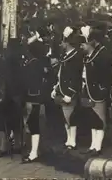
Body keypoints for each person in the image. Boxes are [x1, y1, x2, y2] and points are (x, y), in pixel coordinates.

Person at [79, 23, 112, 156]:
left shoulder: (103, 55)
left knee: (100, 119)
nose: (83, 46)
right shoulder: (92, 54)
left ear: (93, 42)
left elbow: (107, 75)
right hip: (90, 89)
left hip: (99, 91)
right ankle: (93, 145)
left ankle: (98, 146)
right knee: (93, 118)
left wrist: (103, 88)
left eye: (86, 43)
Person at [51, 26, 83, 151]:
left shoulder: (75, 56)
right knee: (65, 116)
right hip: (63, 89)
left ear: (67, 43)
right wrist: (56, 88)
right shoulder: (65, 55)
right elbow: (61, 74)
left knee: (71, 117)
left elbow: (76, 76)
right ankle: (68, 138)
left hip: (70, 91)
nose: (61, 45)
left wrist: (71, 92)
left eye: (62, 42)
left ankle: (73, 140)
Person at [21, 31, 49, 163]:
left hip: (33, 97)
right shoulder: (38, 62)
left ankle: (34, 152)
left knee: (33, 124)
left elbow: (29, 82)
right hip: (36, 97)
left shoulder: (33, 64)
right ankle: (35, 149)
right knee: (34, 124)